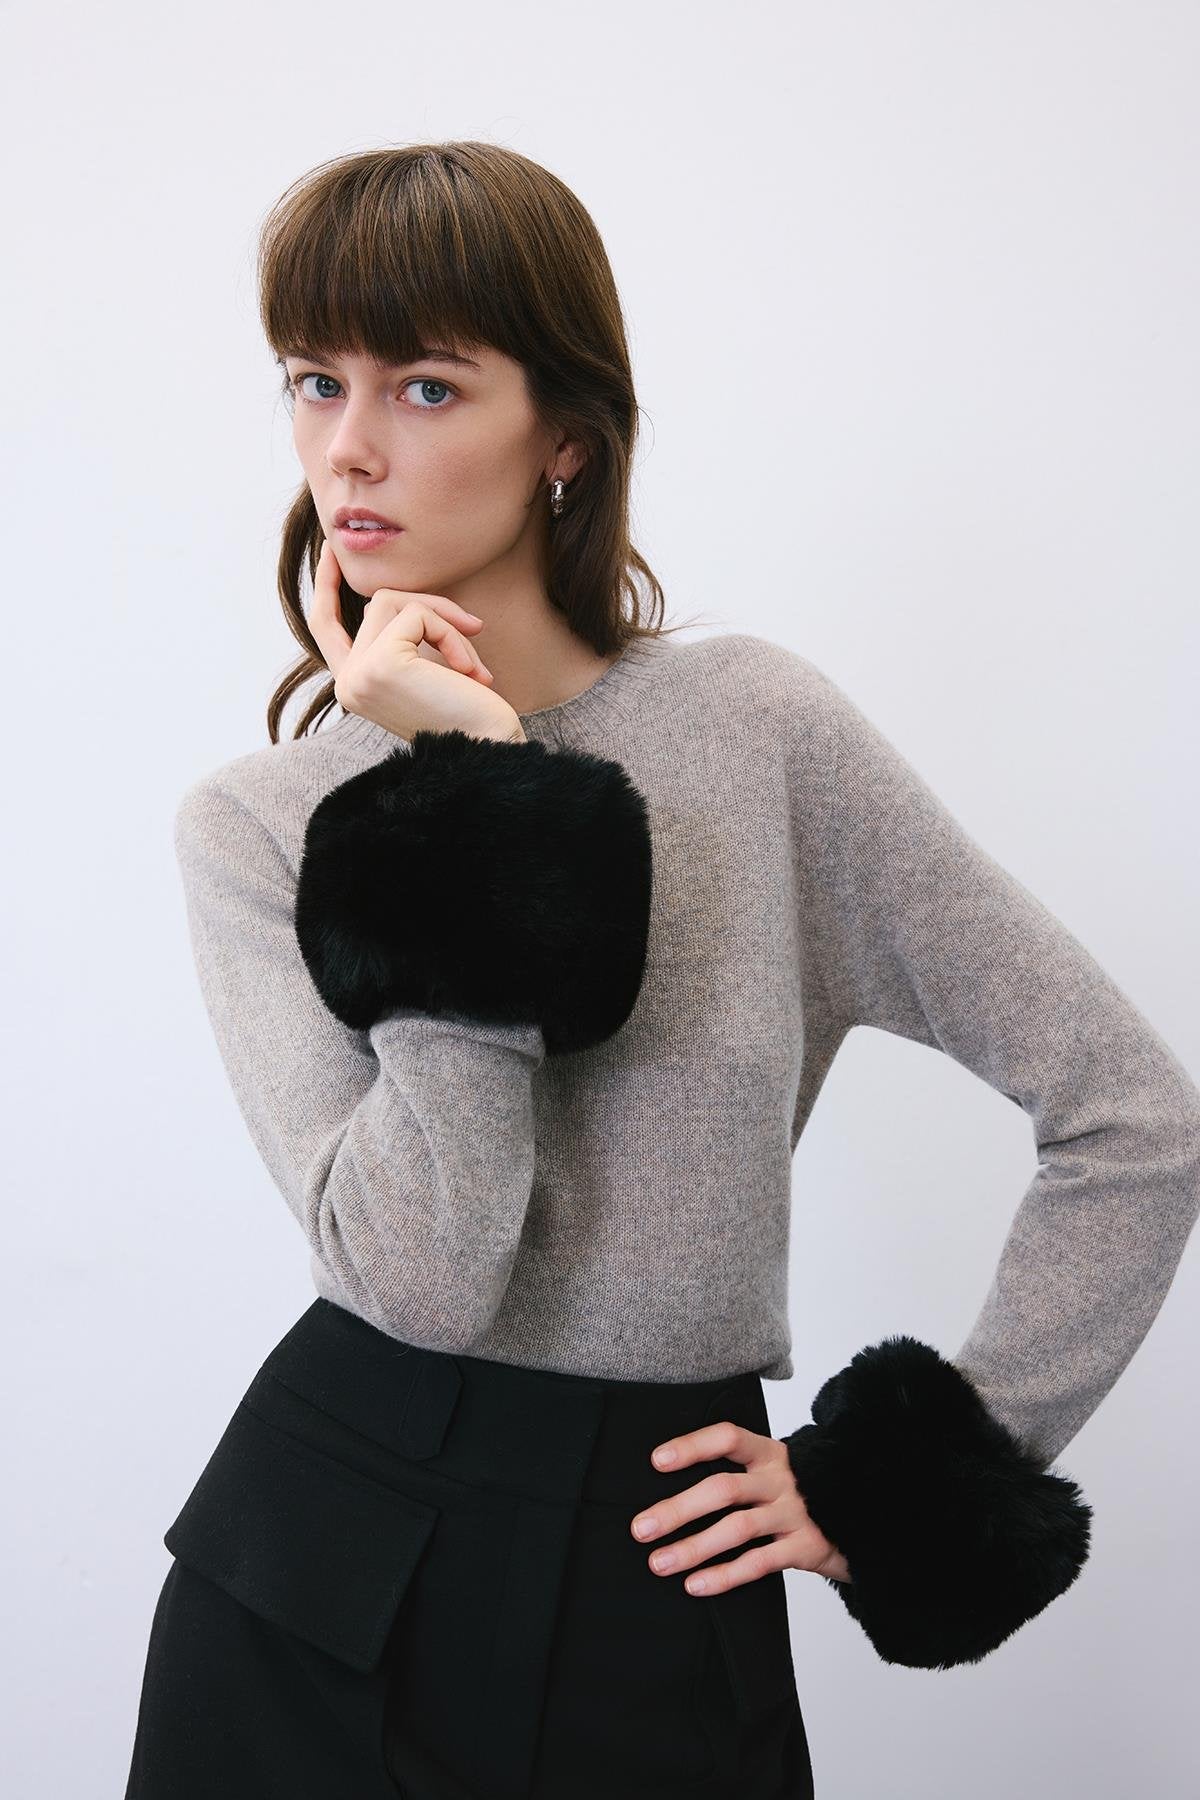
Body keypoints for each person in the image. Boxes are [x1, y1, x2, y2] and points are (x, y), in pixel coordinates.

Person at [122, 141, 1200, 1800]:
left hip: (663, 1555)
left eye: (424, 386)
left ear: (566, 434)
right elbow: (425, 1279)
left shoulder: (756, 733)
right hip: (322, 1580)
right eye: (314, 380)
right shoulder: (260, 825)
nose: (347, 447)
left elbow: (1135, 1122)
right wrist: (471, 794)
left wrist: (896, 1484)